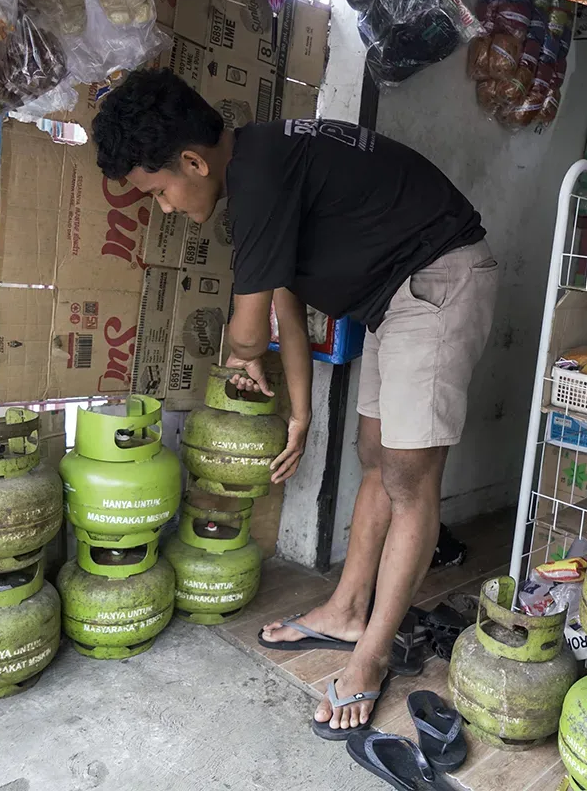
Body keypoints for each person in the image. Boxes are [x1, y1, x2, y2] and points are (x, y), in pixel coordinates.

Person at [92, 68, 498, 737]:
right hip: (397, 300)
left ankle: (368, 660)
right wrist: (302, 416)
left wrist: (239, 349)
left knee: (409, 473)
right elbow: (285, 309)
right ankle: (345, 610)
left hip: (437, 281)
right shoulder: (258, 168)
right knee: (375, 454)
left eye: (158, 190)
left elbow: (250, 330)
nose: (163, 207)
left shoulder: (258, 177)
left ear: (192, 160)